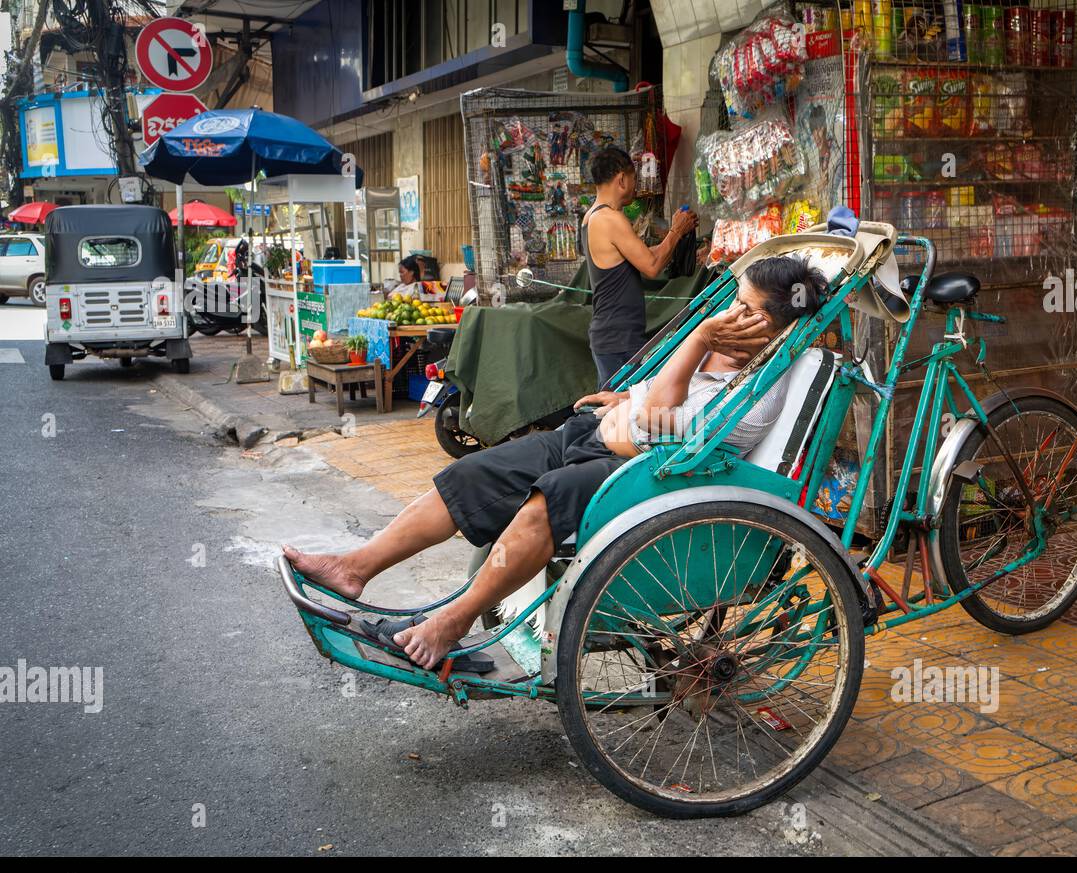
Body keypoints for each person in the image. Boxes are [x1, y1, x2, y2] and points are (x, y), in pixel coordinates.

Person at [283, 254, 827, 672]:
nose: (731, 314)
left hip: (650, 480)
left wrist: (695, 344)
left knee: (546, 502)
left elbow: (658, 421)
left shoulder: (758, 391)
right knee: (475, 473)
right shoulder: (728, 348)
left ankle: (453, 621)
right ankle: (355, 568)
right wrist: (625, 402)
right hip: (596, 442)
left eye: (747, 309)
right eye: (735, 300)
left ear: (776, 326)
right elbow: (650, 401)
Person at [583, 148, 698, 389]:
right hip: (618, 338)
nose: (636, 185)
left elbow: (643, 256)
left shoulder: (593, 216)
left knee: (615, 410)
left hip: (613, 334)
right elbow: (651, 266)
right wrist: (676, 232)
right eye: (634, 178)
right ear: (621, 179)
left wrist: (675, 235)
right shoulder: (609, 219)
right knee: (620, 413)